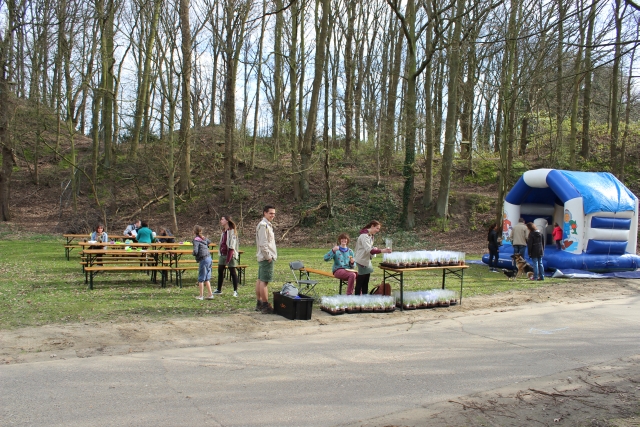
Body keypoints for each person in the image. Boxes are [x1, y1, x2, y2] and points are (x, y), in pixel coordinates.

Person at [353, 220, 392, 295]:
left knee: (366, 281)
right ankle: (357, 298)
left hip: (367, 260)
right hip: (362, 261)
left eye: (379, 229)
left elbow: (369, 248)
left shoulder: (370, 236)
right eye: (377, 228)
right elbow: (369, 250)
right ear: (372, 226)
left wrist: (375, 248)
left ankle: (364, 297)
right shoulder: (364, 236)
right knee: (360, 282)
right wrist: (383, 250)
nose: (378, 230)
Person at [255, 205, 277, 314]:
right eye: (270, 213)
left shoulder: (266, 225)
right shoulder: (263, 225)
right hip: (265, 257)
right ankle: (265, 305)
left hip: (263, 257)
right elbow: (263, 244)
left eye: (274, 213)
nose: (273, 215)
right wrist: (268, 257)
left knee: (260, 280)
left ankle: (259, 303)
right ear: (265, 213)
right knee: (264, 281)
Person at [215, 215, 239, 297]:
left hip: (230, 255)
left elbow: (232, 246)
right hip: (222, 254)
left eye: (222, 219)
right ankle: (219, 289)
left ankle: (235, 291)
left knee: (232, 272)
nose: (221, 221)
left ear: (227, 221)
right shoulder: (223, 231)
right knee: (220, 271)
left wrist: (228, 259)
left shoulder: (232, 231)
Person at [193, 225, 214, 300]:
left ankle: (201, 296)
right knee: (207, 278)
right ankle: (210, 294)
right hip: (209, 258)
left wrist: (194, 254)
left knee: (201, 278)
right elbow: (209, 242)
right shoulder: (203, 238)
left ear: (194, 232)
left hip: (203, 259)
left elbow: (196, 251)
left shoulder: (196, 240)